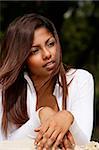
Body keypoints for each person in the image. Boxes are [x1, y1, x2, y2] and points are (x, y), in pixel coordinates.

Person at [0, 13, 94, 149]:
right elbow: (4, 145)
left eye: (50, 44)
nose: (47, 54)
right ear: (22, 58)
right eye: (35, 51)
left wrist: (67, 118)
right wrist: (40, 116)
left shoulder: (80, 80)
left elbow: (85, 145)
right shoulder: (5, 89)